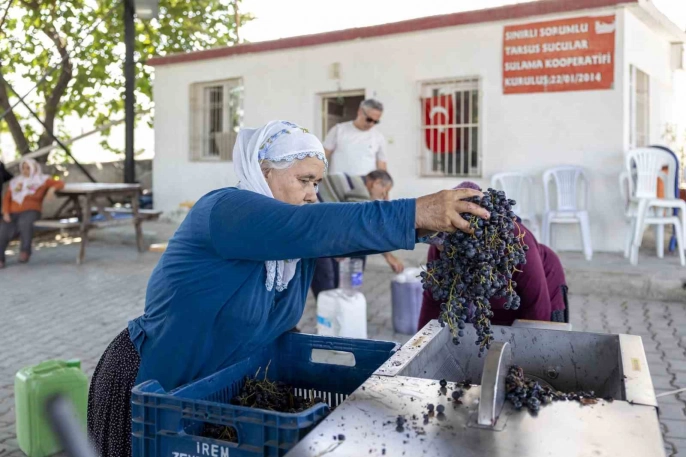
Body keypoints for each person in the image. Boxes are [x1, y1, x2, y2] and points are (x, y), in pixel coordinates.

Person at [86, 120, 489, 457]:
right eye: (305, 180)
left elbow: (344, 233)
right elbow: (315, 225)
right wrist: (417, 210)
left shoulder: (294, 250)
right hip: (154, 392)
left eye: (317, 182)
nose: (313, 194)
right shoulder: (225, 211)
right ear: (264, 172)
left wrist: (431, 227)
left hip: (218, 405)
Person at [418, 181, 567, 329]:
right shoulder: (440, 247)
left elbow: (537, 310)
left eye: (449, 244)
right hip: (492, 303)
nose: (442, 249)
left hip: (544, 286)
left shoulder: (515, 243)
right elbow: (432, 303)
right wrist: (422, 340)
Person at [311, 169, 404, 298]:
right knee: (326, 281)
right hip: (313, 230)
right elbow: (365, 228)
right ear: (376, 183)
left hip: (316, 224)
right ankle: (332, 304)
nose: (385, 197)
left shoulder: (354, 181)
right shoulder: (360, 190)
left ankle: (340, 298)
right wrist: (388, 256)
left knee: (342, 266)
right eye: (385, 191)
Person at [0, 158, 64, 268]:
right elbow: (7, 198)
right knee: (3, 228)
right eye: (23, 168)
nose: (25, 170)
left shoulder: (42, 180)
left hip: (31, 211)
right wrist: (6, 212)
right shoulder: (16, 182)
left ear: (34, 168)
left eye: (28, 168)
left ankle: (25, 251)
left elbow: (60, 183)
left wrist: (51, 189)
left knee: (24, 223)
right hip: (13, 211)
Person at [323, 99, 387, 175]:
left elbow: (381, 164)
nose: (371, 124)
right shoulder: (338, 130)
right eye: (369, 120)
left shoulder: (378, 137)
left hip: (365, 181)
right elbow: (322, 155)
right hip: (339, 181)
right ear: (360, 111)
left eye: (376, 121)